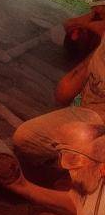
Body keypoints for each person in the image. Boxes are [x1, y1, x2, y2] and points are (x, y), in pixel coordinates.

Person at [0, 122, 105, 215]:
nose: (64, 166)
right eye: (63, 153)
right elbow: (77, 204)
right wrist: (21, 186)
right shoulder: (96, 176)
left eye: (73, 158)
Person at [13, 17, 105, 169]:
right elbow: (63, 93)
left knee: (85, 150)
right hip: (87, 113)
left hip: (99, 123)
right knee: (25, 138)